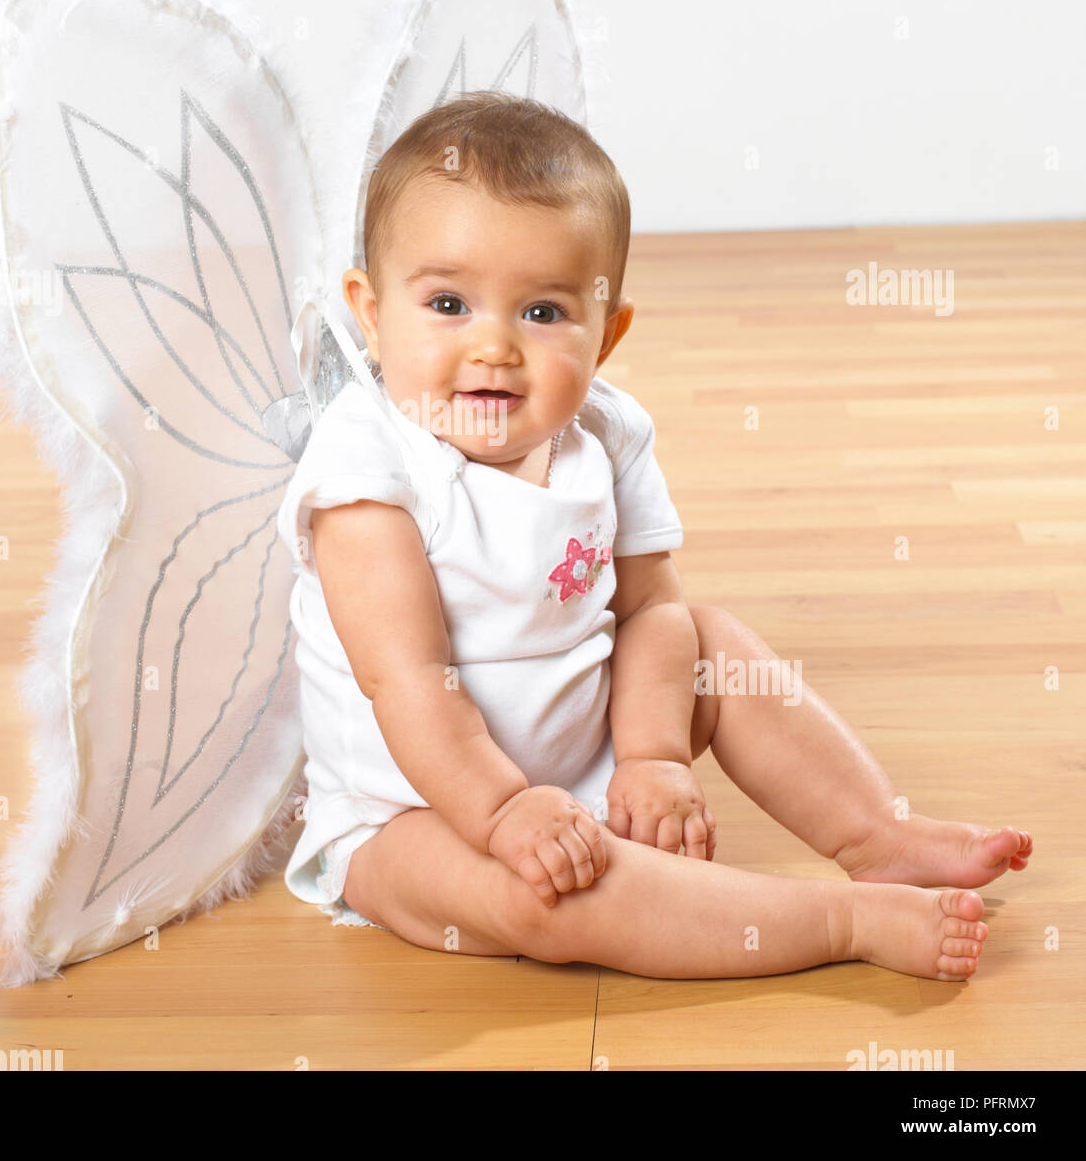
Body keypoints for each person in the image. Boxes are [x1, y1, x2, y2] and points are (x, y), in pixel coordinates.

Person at [275, 92, 1033, 980]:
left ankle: (876, 833)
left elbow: (650, 614)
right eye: (447, 303)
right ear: (368, 311)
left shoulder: (605, 432)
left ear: (606, 333)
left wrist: (650, 754)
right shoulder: (367, 471)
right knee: (539, 904)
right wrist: (502, 815)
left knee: (709, 642)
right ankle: (838, 921)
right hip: (415, 812)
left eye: (543, 313)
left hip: (585, 750)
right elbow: (406, 681)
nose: (493, 347)